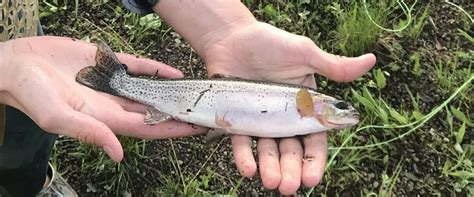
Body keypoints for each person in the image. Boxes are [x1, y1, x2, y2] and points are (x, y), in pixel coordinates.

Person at [0, 0, 376, 196]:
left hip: (20, 37)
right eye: (340, 105)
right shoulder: (305, 106)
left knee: (24, 147)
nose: (345, 110)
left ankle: (27, 185)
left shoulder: (305, 106)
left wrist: (223, 26)